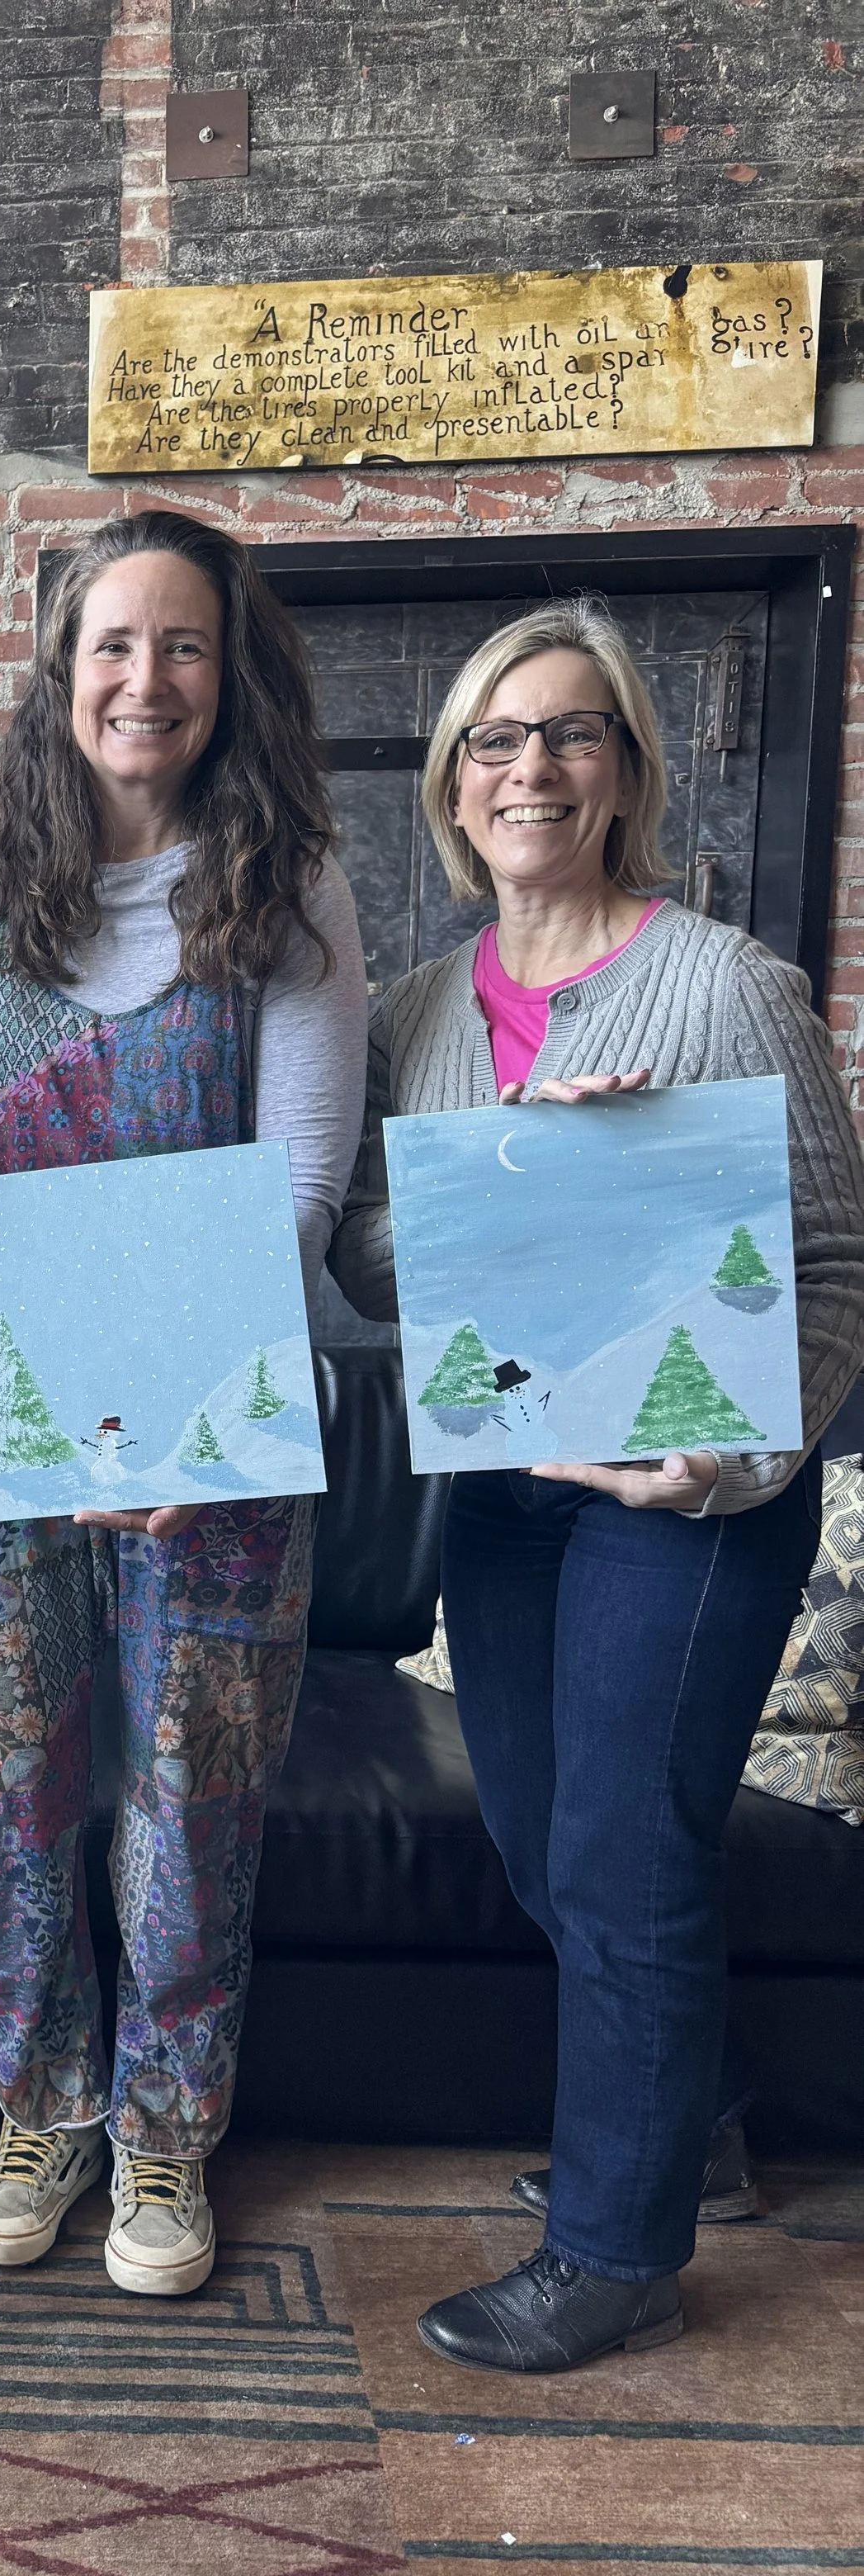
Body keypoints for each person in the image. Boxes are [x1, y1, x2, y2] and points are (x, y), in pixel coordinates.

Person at [332, 596, 864, 2372]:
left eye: (567, 732)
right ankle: (689, 2098)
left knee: (630, 1850)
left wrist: (735, 1455)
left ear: (625, 769)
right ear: (449, 785)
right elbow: (358, 1256)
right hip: (506, 1482)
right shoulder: (410, 1014)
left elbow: (835, 1258)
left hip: (688, 1494)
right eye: (493, 737)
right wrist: (517, 1180)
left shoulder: (724, 985)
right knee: (540, 1832)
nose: (528, 766)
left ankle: (610, 2247)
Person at [0, 507, 367, 2297]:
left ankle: (165, 2138)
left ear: (226, 673)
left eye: (180, 646)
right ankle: (44, 2102)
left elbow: (302, 1180)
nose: (142, 679)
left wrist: (175, 1405)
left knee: (192, 1786)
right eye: (110, 643)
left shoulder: (290, 885)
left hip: (217, 1417)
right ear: (55, 662)